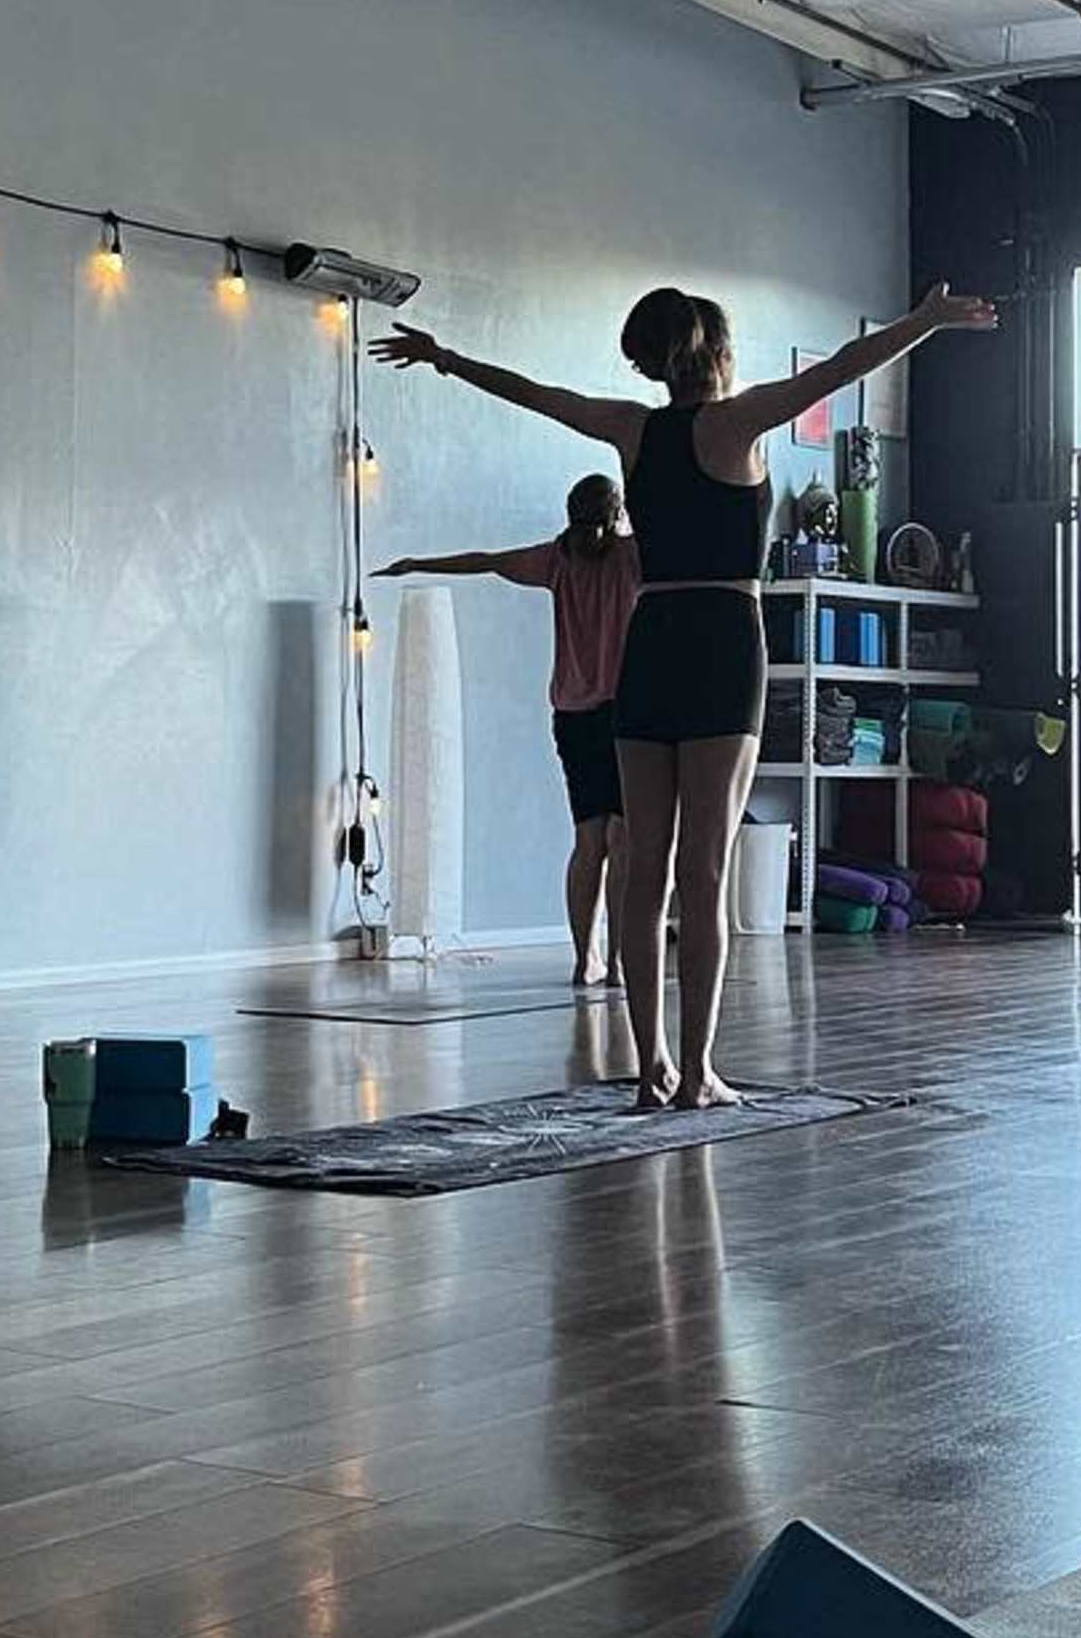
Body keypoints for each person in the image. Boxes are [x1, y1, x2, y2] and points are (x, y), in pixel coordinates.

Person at [377, 283, 995, 1105]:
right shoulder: (737, 424)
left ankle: (651, 1068)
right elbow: (848, 365)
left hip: (652, 645)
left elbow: (542, 397)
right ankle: (697, 1071)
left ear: (659, 361)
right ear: (720, 351)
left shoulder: (633, 430)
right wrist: (924, 322)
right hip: (721, 642)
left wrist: (446, 359)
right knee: (704, 869)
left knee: (646, 873)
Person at [377, 471, 642, 986]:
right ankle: (616, 964)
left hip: (572, 714)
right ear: (617, 515)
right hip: (625, 712)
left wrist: (417, 563)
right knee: (623, 838)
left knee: (589, 841)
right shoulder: (632, 558)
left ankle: (584, 957)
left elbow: (487, 561)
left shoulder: (558, 560)